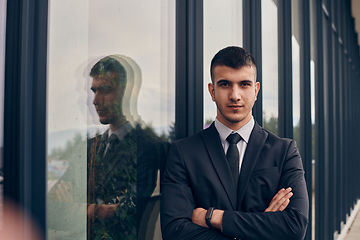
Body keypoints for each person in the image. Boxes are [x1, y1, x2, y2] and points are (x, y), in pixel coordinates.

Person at [160, 46, 309, 240]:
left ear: (256, 90)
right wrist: (263, 227)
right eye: (225, 84)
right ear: (212, 91)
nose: (235, 95)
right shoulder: (183, 153)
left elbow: (295, 227)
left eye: (244, 84)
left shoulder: (284, 151)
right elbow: (175, 231)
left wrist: (215, 217)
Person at [48, 56, 167, 240]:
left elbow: (127, 213)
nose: (96, 100)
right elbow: (51, 209)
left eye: (105, 90)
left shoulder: (151, 148)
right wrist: (98, 210)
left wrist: (76, 206)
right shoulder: (89, 148)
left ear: (127, 94)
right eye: (94, 91)